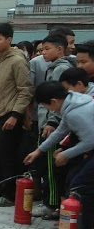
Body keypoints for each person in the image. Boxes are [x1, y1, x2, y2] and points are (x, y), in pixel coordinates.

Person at [25, 82, 94, 229]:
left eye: (45, 106)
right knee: (75, 183)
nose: (48, 109)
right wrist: (38, 151)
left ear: (54, 101)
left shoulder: (74, 112)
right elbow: (61, 131)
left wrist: (66, 154)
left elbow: (90, 141)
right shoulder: (73, 101)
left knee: (80, 187)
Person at [0, 23, 35, 207]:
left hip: (9, 115)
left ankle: (9, 195)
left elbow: (25, 90)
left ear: (9, 40)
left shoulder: (17, 61)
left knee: (7, 157)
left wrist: (15, 115)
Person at [33, 33, 73, 218]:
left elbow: (57, 100)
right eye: (42, 49)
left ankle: (51, 203)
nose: (43, 53)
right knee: (45, 166)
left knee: (51, 168)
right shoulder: (53, 67)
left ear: (60, 49)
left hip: (53, 126)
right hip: (45, 122)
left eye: (47, 49)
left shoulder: (61, 69)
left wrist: (51, 122)